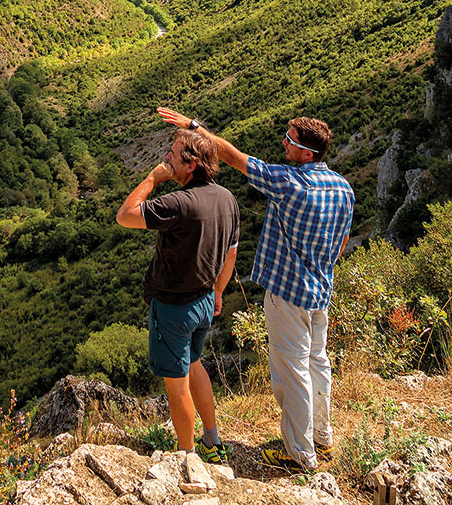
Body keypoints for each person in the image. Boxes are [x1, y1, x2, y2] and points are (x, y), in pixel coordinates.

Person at [157, 107, 354, 473]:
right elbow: (341, 243)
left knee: (291, 371)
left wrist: (194, 126)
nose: (284, 143)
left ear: (306, 154)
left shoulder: (289, 182)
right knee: (317, 363)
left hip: (287, 293)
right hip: (320, 290)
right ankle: (322, 438)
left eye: (290, 141)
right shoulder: (343, 187)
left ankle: (299, 454)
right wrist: (319, 267)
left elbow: (231, 156)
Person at [116, 129, 239, 463]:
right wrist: (217, 291)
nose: (167, 157)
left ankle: (187, 456)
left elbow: (125, 215)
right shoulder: (227, 198)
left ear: (192, 163)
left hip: (173, 308)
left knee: (177, 384)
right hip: (203, 302)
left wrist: (154, 178)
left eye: (174, 153)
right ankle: (212, 441)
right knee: (194, 364)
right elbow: (230, 254)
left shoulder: (178, 202)